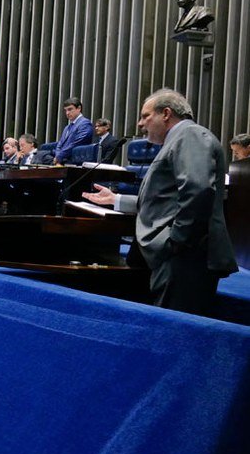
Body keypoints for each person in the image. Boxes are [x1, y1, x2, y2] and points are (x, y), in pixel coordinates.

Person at [82, 88, 237, 315]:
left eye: (146, 116)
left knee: (176, 327)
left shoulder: (190, 135)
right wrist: (117, 199)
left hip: (184, 258)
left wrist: (175, 242)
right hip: (179, 257)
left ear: (166, 113)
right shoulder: (178, 139)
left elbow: (198, 190)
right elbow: (167, 200)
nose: (140, 123)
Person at [53, 97, 94, 165]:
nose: (67, 113)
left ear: (79, 108)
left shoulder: (85, 123)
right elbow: (60, 144)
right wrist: (57, 156)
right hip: (62, 160)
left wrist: (59, 157)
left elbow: (77, 143)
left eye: (70, 109)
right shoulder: (67, 127)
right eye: (65, 110)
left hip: (74, 162)